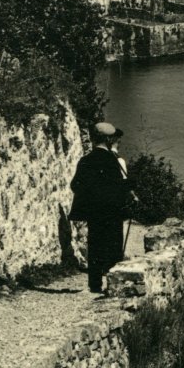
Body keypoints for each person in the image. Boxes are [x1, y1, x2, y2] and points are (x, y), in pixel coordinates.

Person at [69, 121, 136, 292]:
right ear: (108, 140)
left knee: (95, 245)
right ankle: (113, 284)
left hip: (93, 211)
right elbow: (118, 187)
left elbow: (75, 185)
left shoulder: (85, 161)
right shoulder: (112, 161)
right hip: (112, 211)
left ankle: (95, 284)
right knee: (114, 244)